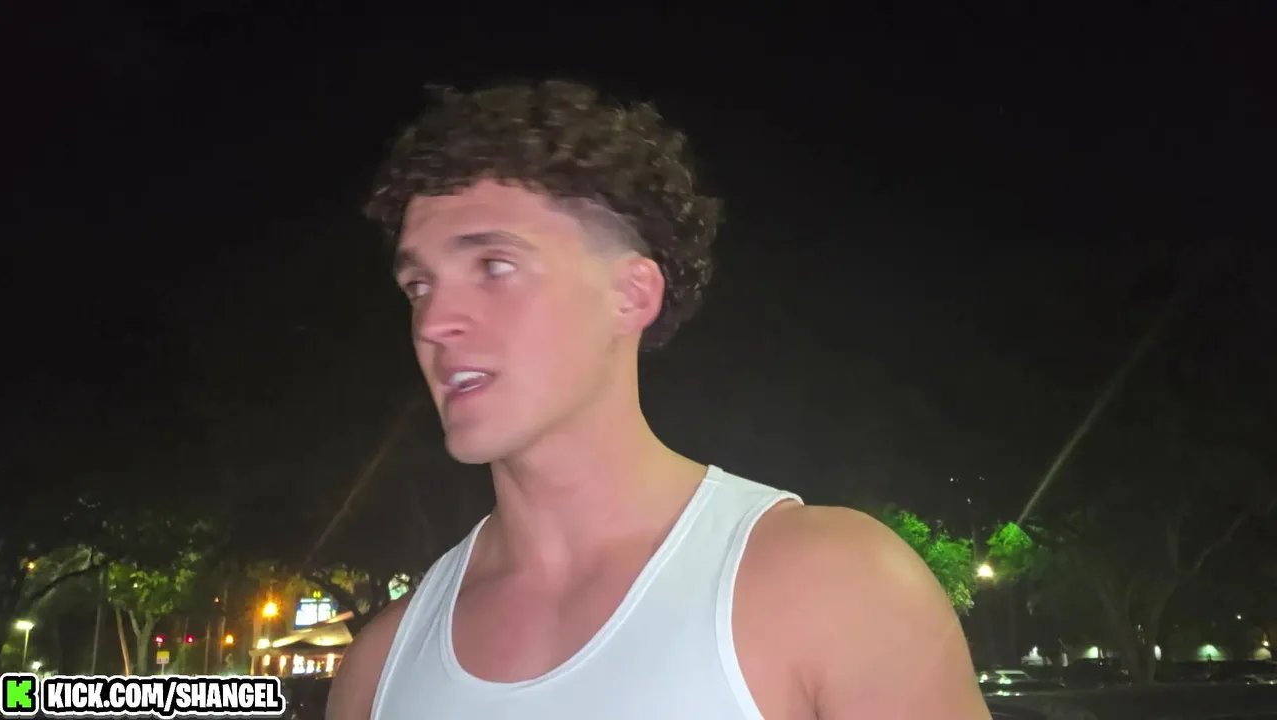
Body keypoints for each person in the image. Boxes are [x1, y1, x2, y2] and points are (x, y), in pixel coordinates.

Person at [327, 80, 989, 719]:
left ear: (632, 295)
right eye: (419, 286)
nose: (434, 321)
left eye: (494, 267)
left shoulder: (836, 586)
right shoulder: (380, 667)